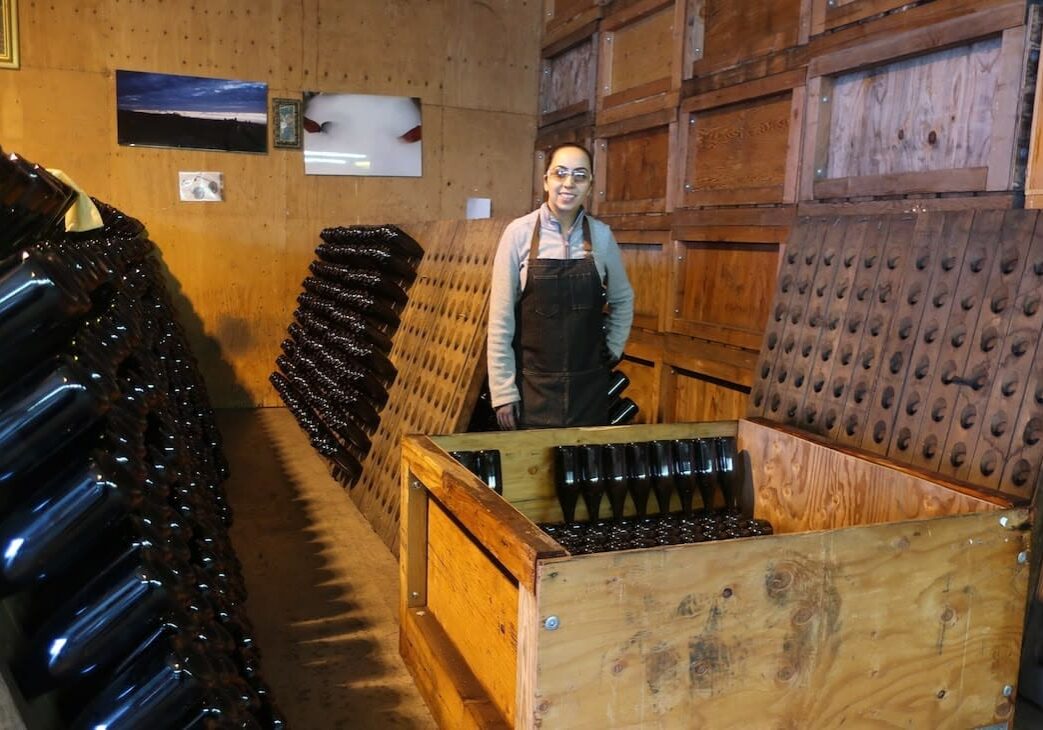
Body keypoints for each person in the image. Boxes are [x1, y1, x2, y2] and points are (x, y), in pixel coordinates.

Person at [487, 143, 634, 430]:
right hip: (532, 387)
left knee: (582, 470)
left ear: (590, 185)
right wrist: (503, 391)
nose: (569, 183)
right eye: (560, 173)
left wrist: (614, 346)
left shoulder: (601, 237)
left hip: (588, 387)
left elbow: (623, 299)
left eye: (580, 176)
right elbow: (500, 320)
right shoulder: (519, 234)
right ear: (546, 181)